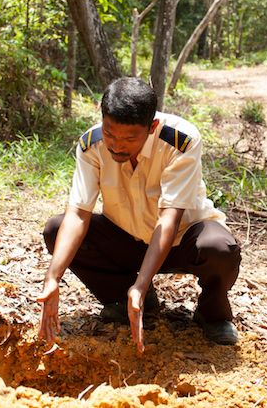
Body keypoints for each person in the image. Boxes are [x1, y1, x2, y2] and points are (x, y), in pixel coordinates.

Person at [37, 77, 241, 352]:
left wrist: (141, 284)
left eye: (130, 138)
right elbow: (78, 214)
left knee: (220, 248)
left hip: (182, 243)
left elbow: (169, 219)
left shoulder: (181, 140)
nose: (117, 145)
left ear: (152, 126)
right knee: (55, 229)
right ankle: (123, 300)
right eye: (110, 133)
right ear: (103, 119)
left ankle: (211, 314)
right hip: (127, 239)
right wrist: (53, 277)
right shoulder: (91, 144)